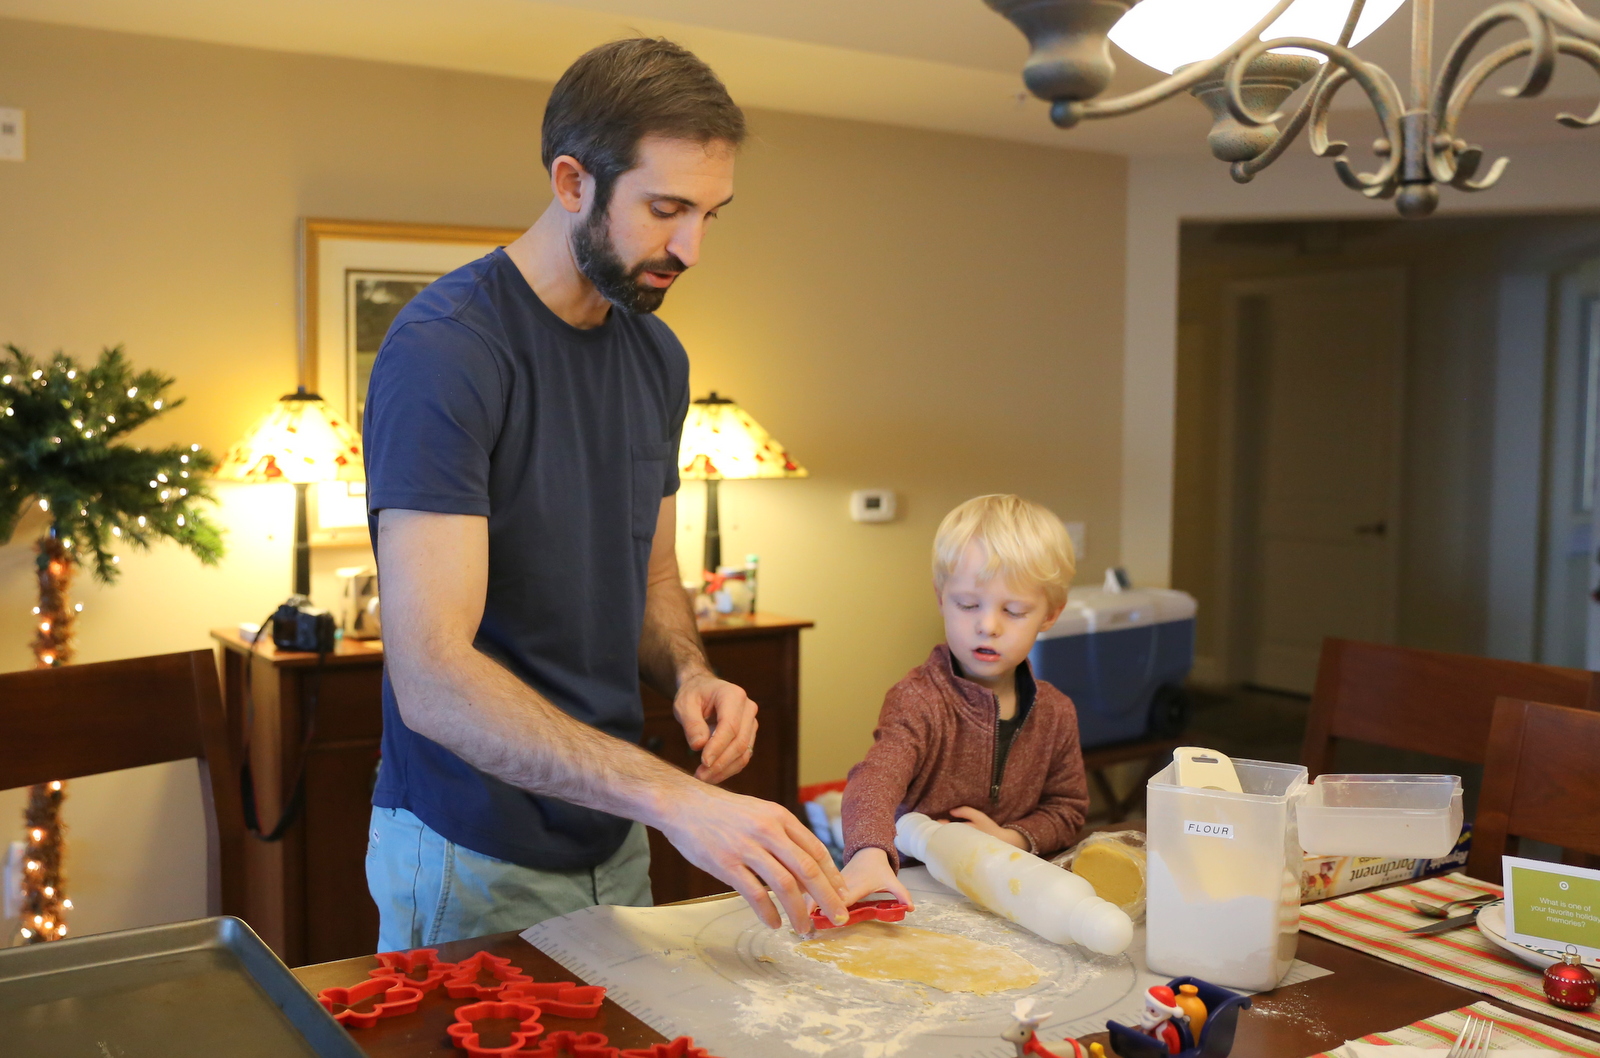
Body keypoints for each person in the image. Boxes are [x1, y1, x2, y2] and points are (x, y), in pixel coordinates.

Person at [362, 37, 849, 951]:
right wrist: (676, 799)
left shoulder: (657, 356)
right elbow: (431, 676)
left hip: (616, 831)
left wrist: (693, 674)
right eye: (666, 210)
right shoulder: (448, 351)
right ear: (572, 182)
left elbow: (653, 576)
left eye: (711, 214)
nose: (692, 248)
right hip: (472, 851)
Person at [839, 494, 1090, 905]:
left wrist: (1009, 839)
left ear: (1050, 614)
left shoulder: (1056, 713)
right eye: (968, 604)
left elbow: (1067, 810)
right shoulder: (917, 700)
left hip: (1010, 892)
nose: (987, 626)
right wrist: (869, 853)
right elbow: (874, 781)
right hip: (917, 891)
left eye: (1014, 611)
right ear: (942, 597)